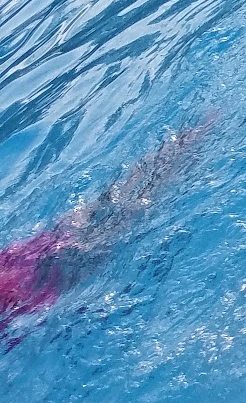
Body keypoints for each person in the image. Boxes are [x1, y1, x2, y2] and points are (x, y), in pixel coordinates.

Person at [0, 122, 210, 326]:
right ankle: (195, 134)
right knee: (122, 194)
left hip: (52, 273)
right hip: (39, 247)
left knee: (134, 206)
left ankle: (197, 138)